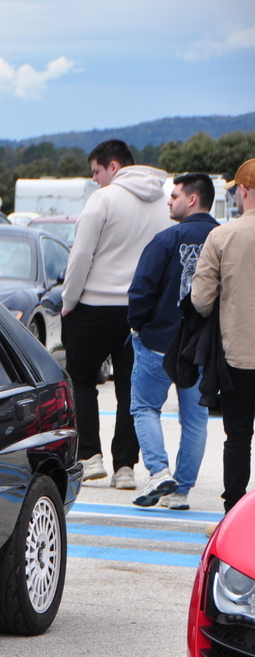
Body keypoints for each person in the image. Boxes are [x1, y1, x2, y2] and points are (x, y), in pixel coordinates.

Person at [61, 139, 170, 488]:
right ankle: (125, 467)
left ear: (114, 166)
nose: (94, 179)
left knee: (81, 379)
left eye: (96, 171)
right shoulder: (163, 202)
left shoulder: (103, 199)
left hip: (94, 305)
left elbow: (81, 256)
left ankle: (90, 455)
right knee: (130, 388)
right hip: (139, 310)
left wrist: (69, 300)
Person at [126, 173, 219, 510]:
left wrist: (138, 325)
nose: (169, 200)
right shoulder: (224, 238)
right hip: (203, 345)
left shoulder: (167, 238)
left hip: (159, 340)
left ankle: (159, 471)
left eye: (175, 195)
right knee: (195, 420)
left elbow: (141, 288)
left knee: (145, 407)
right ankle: (181, 492)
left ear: (192, 199)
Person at [191, 158, 255, 512]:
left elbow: (200, 301)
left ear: (242, 190)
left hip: (238, 353)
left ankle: (234, 514)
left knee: (239, 436)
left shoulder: (221, 236)